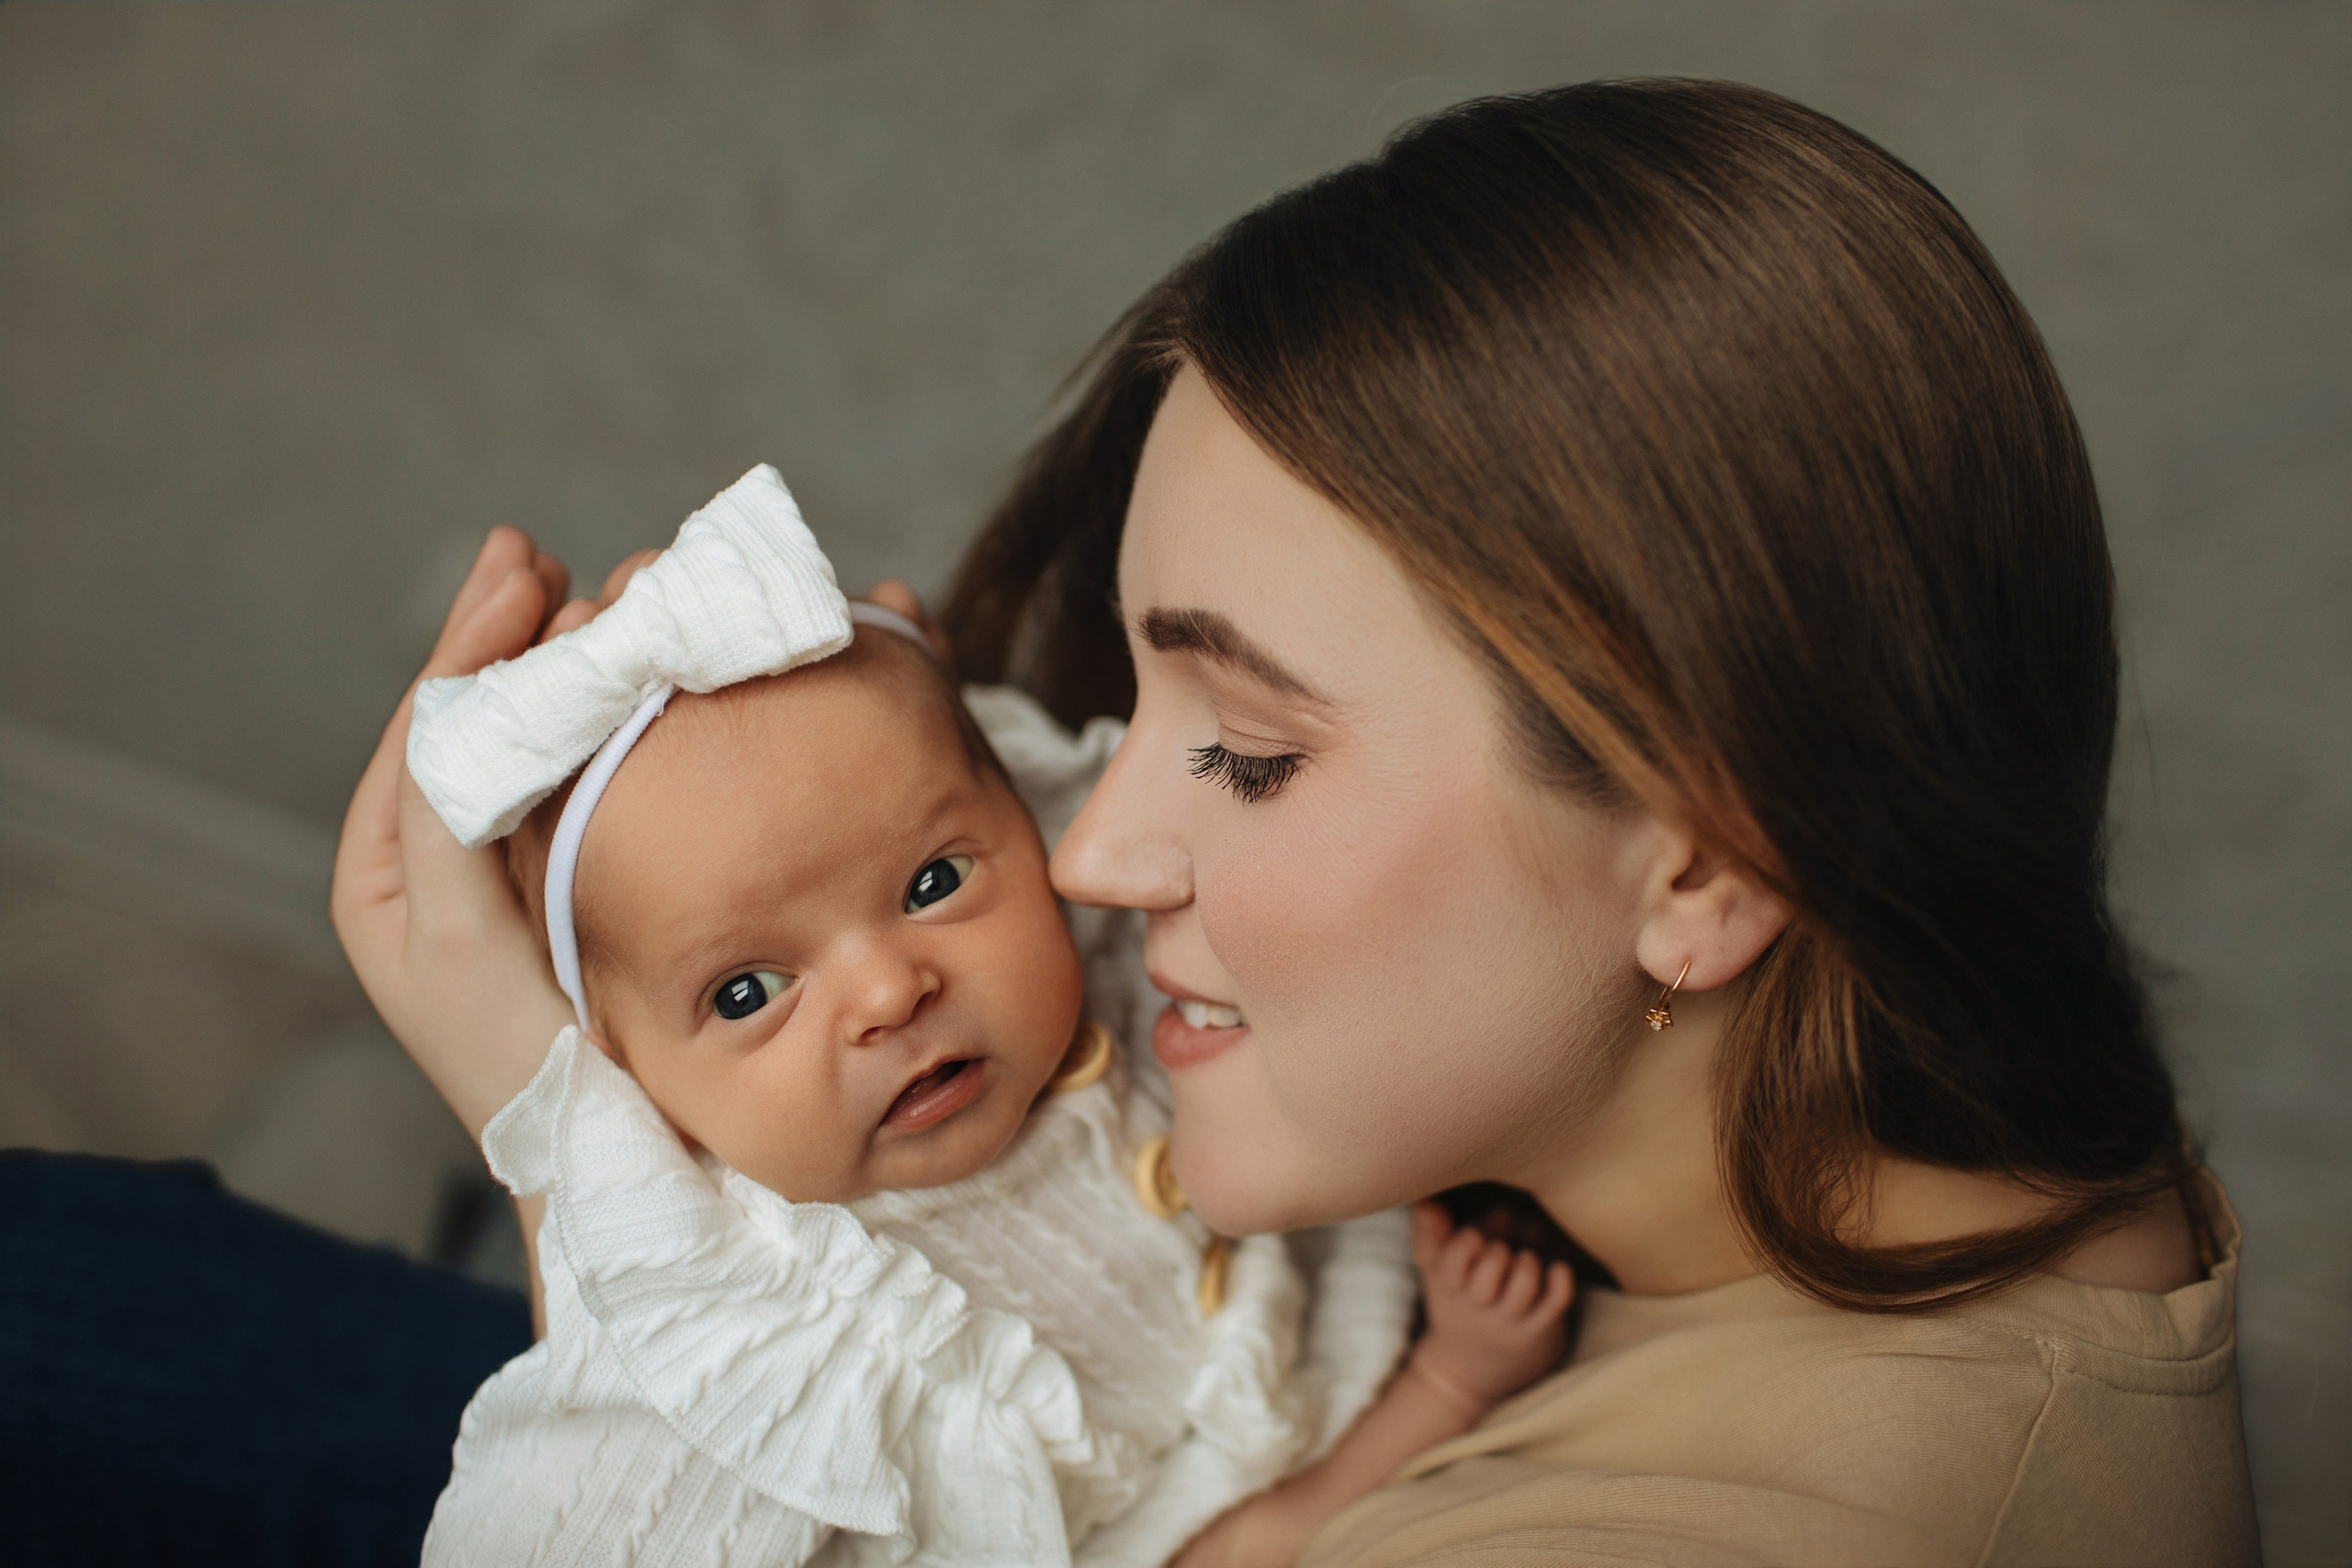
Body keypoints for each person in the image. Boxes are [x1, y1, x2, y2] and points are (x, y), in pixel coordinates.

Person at [399, 464, 1572, 1565]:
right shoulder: (742, 1330)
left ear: (1031, 819)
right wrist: (1449, 1383)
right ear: (627, 1072)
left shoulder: (1116, 934)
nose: (887, 991)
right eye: (747, 992)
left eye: (933, 884)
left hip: (1322, 1308)